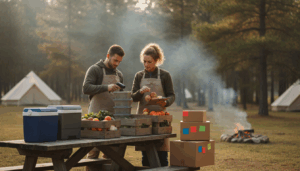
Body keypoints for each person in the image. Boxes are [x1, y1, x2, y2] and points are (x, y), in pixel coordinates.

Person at [131, 43, 175, 166]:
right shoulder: (139, 76)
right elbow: (133, 97)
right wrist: (140, 92)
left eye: (149, 62)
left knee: (162, 155)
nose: (146, 65)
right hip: (144, 120)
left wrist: (165, 101)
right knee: (146, 156)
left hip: (161, 119)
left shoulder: (165, 75)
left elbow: (172, 95)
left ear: (156, 60)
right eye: (144, 61)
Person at [82, 44, 125, 170]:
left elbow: (121, 96)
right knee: (93, 154)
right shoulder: (94, 69)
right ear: (108, 56)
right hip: (95, 118)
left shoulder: (119, 74)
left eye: (119, 61)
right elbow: (86, 88)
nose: (117, 63)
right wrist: (106, 87)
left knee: (111, 155)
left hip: (112, 119)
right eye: (115, 60)